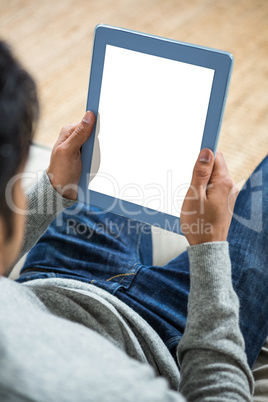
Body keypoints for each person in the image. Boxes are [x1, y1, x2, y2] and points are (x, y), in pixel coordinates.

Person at [0, 39, 267, 401]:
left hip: (54, 279)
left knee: (119, 151)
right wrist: (210, 249)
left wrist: (54, 187)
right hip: (171, 338)